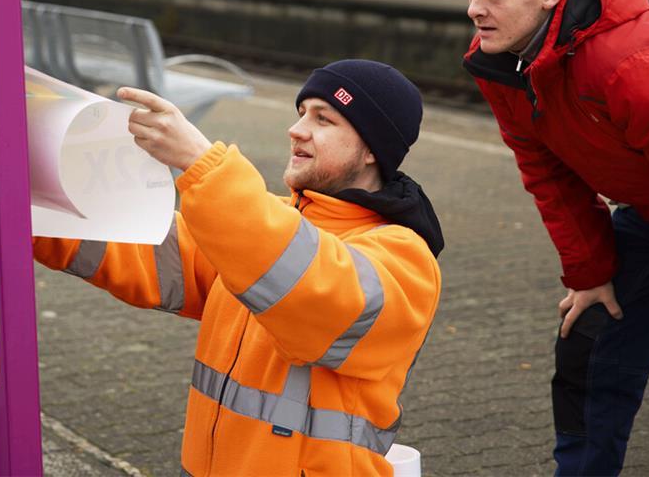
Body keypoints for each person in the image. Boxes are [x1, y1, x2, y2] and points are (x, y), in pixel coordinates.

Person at [34, 60, 444, 476]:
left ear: (373, 147)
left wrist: (201, 163)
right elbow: (141, 248)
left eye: (324, 119)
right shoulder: (264, 229)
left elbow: (310, 291)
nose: (298, 129)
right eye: (301, 113)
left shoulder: (404, 257)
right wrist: (35, 212)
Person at [461, 0, 649, 476]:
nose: (474, 9)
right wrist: (589, 271)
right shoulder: (502, 59)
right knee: (589, 337)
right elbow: (546, 171)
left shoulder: (639, 60)